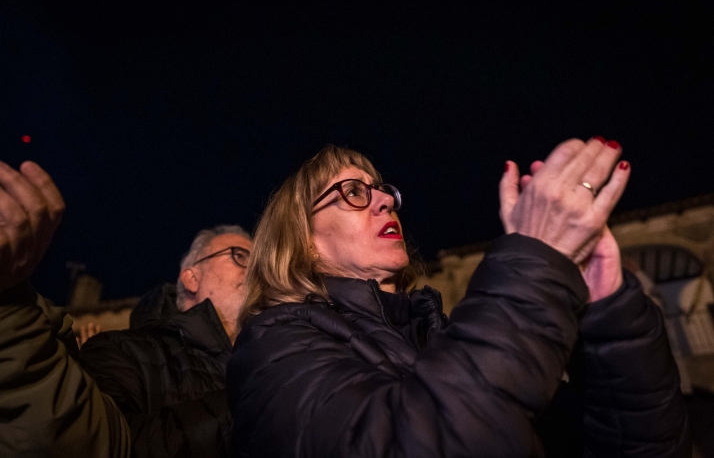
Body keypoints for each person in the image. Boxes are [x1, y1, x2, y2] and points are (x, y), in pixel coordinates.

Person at [226, 142, 690, 457]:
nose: (384, 201)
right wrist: (533, 263)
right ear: (303, 241)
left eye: (382, 189)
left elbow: (643, 444)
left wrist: (609, 311)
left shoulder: (440, 335)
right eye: (352, 192)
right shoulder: (272, 346)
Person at [78, 225, 252, 458]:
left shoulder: (266, 360)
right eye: (239, 256)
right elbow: (104, 445)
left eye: (260, 261)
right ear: (191, 278)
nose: (256, 269)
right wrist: (253, 401)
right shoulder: (121, 351)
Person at [0, 160, 131, 457]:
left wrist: (9, 300)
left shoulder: (42, 320)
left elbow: (88, 441)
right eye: (237, 255)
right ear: (190, 275)